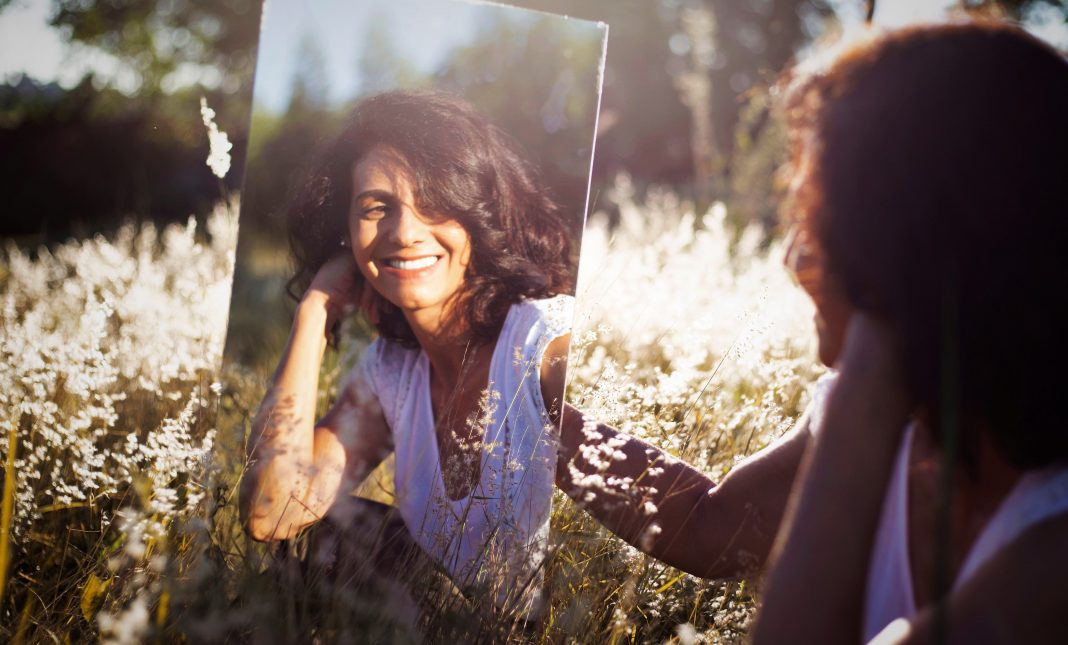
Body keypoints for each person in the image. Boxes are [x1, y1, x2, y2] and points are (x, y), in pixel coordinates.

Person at [554, 21, 1068, 644]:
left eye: (821, 222)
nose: (793, 258)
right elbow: (709, 526)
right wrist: (542, 410)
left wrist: (868, 383)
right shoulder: (902, 418)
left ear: (921, 242)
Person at [238, 89, 576, 617]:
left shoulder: (546, 341)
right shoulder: (392, 373)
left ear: (479, 215)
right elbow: (272, 512)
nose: (405, 232)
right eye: (376, 208)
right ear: (345, 234)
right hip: (451, 624)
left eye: (436, 202)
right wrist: (316, 308)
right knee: (323, 538)